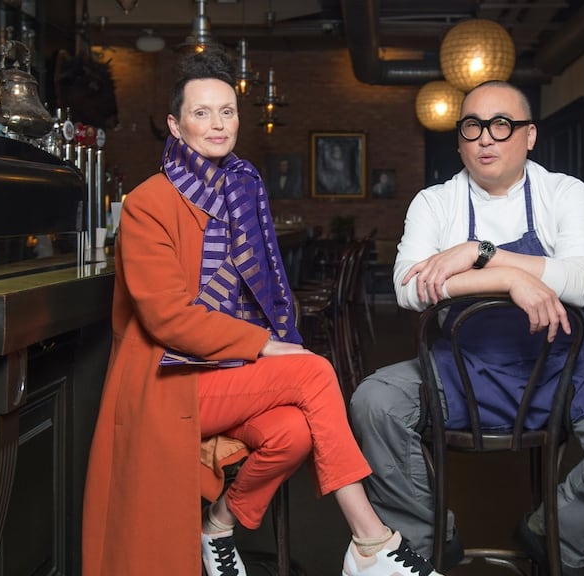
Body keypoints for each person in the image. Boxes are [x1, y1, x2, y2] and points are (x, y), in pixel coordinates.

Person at [81, 49, 444, 576]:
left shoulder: (242, 189)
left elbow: (262, 293)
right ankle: (372, 541)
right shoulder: (147, 204)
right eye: (201, 113)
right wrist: (263, 345)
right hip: (167, 379)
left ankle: (219, 524)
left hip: (222, 372)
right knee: (315, 371)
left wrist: (262, 344)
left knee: (294, 432)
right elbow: (167, 320)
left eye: (226, 111)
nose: (217, 124)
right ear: (174, 126)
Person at [349, 80, 584, 576]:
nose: (485, 138)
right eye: (472, 126)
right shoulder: (435, 203)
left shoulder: (563, 192)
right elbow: (408, 290)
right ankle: (424, 540)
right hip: (460, 369)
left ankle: (555, 531)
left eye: (502, 125)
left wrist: (479, 254)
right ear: (458, 140)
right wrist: (509, 280)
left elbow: (581, 283)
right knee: (374, 403)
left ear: (529, 136)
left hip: (560, 368)